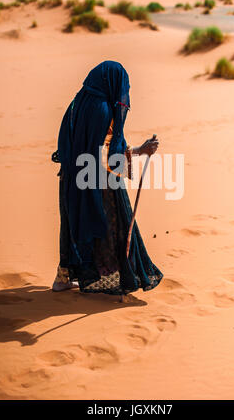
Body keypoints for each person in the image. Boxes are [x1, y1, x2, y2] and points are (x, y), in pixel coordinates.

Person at [51, 60, 163, 299]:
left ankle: (62, 278)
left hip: (72, 177)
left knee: (73, 224)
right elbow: (105, 155)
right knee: (113, 227)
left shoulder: (78, 101)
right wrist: (140, 151)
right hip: (97, 182)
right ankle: (121, 279)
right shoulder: (101, 110)